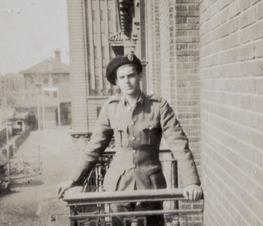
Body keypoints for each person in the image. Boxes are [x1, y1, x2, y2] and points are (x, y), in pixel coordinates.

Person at [57, 53, 203, 226]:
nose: (127, 81)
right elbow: (94, 147)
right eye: (122, 77)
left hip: (151, 187)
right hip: (118, 188)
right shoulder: (110, 108)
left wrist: (191, 182)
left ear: (140, 77)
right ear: (117, 82)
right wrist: (73, 180)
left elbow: (179, 144)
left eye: (131, 76)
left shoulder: (158, 106)